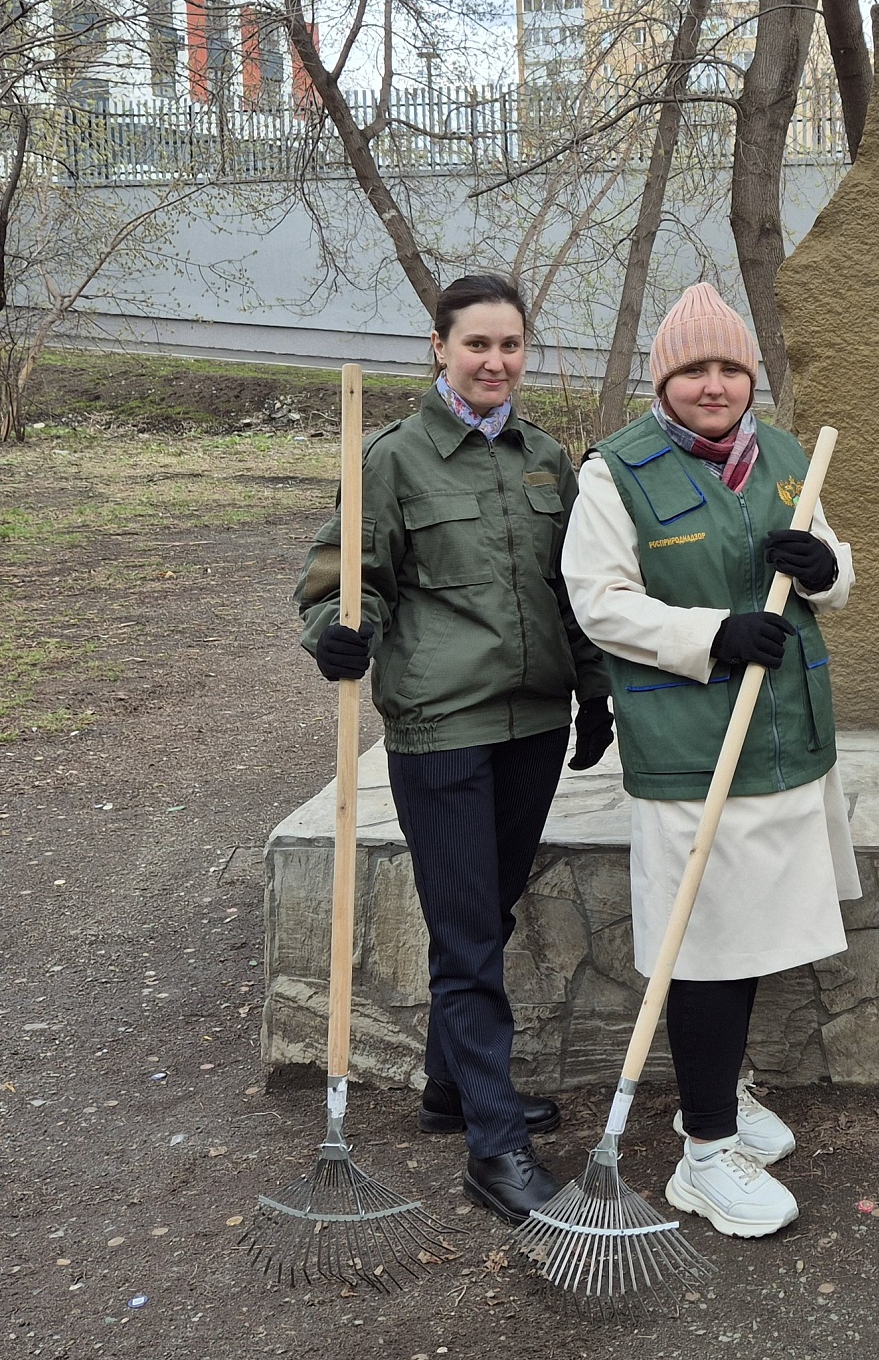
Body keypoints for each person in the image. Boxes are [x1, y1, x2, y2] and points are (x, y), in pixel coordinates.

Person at [294, 273, 613, 1226]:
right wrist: (339, 635)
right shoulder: (392, 459)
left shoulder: (547, 458)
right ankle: (494, 1147)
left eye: (510, 345)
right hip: (441, 730)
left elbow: (573, 591)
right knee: (468, 935)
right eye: (476, 344)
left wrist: (592, 695)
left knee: (489, 910)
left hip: (533, 725)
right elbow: (340, 581)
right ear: (439, 346)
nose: (494, 361)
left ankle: (451, 1088)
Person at [562, 282, 856, 1240]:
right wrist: (710, 635)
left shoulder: (783, 455)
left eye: (731, 367)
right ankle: (702, 1157)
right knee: (705, 944)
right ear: (665, 379)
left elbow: (840, 569)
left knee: (754, 930)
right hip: (693, 745)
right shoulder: (620, 472)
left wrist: (825, 568)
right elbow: (598, 599)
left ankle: (713, 1096)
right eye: (695, 369)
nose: (716, 383)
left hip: (787, 738)